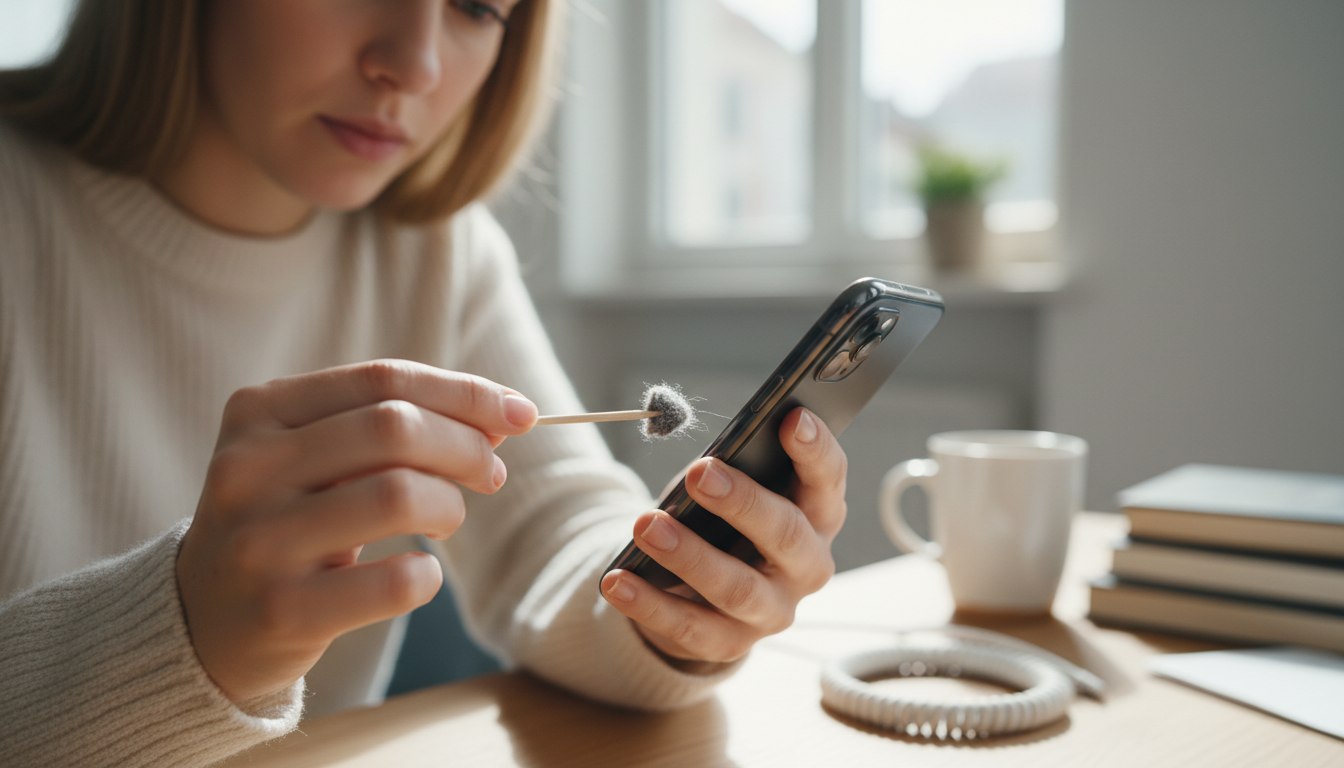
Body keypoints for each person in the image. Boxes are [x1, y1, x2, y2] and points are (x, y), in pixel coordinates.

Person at [0, 0, 848, 764]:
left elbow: (558, 537)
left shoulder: (436, 248)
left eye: (477, 7)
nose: (417, 66)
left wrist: (678, 606)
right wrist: (182, 636)